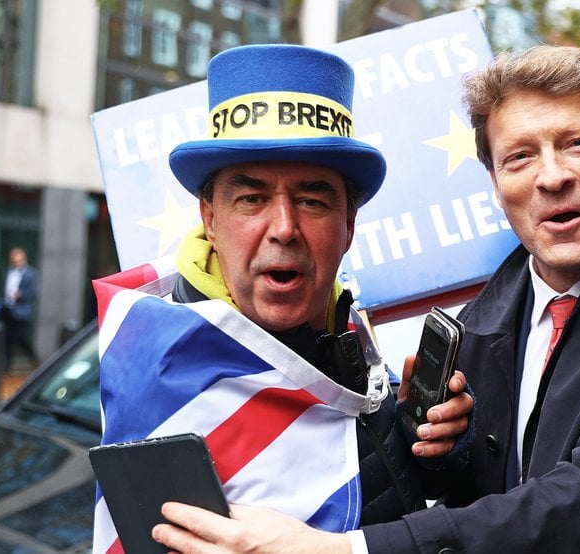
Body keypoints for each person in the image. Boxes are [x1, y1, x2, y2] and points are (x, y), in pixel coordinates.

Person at [151, 45, 580, 553]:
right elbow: (490, 500)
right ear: (495, 183)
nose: (552, 175)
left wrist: (342, 551)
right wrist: (444, 450)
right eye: (520, 156)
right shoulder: (480, 319)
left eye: (578, 144)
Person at [96, 43, 473, 543]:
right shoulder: (161, 373)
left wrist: (430, 445)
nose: (284, 228)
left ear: (349, 224)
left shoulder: (344, 326)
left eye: (312, 201)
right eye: (252, 199)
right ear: (210, 219)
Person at [0, 246, 39, 369]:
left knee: (21, 336)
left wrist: (20, 295)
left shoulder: (31, 273)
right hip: (8, 308)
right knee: (7, 337)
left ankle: (33, 357)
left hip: (21, 310)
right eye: (13, 260)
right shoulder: (7, 271)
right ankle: (7, 363)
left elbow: (33, 292)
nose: (15, 263)